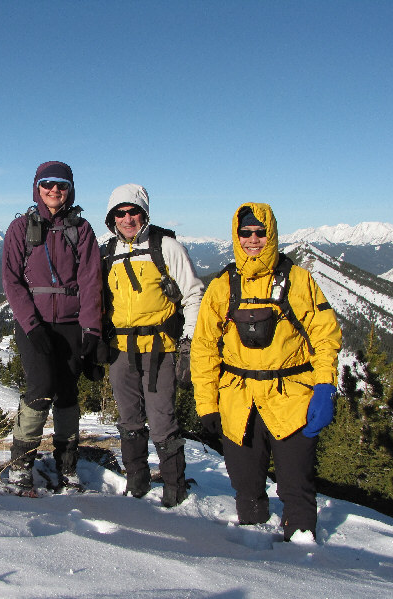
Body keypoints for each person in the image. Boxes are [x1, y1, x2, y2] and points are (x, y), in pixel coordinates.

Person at [191, 202, 342, 541]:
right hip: (237, 402)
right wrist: (206, 403)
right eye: (245, 233)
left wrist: (324, 385)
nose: (253, 239)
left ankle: (302, 548)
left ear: (270, 234)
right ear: (237, 235)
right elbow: (204, 347)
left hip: (291, 399)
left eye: (260, 232)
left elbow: (325, 335)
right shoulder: (222, 286)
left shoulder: (298, 280)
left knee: (296, 484)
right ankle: (255, 551)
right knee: (245, 486)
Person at [2, 161, 103, 491]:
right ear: (37, 187)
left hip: (72, 324)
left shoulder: (82, 229)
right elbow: (12, 281)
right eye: (48, 184)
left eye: (61, 185)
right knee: (41, 387)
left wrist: (91, 329)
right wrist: (31, 325)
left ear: (70, 189)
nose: (54, 190)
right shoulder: (21, 228)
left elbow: (90, 281)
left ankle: (67, 462)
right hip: (36, 324)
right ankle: (20, 462)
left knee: (68, 392)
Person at [102, 183, 204, 507]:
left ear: (144, 214)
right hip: (120, 350)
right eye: (121, 213)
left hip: (160, 348)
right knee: (129, 419)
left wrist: (188, 343)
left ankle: (175, 489)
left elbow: (193, 295)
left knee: (162, 421)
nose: (127, 218)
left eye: (133, 212)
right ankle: (137, 483)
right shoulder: (107, 254)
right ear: (112, 217)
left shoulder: (167, 247)